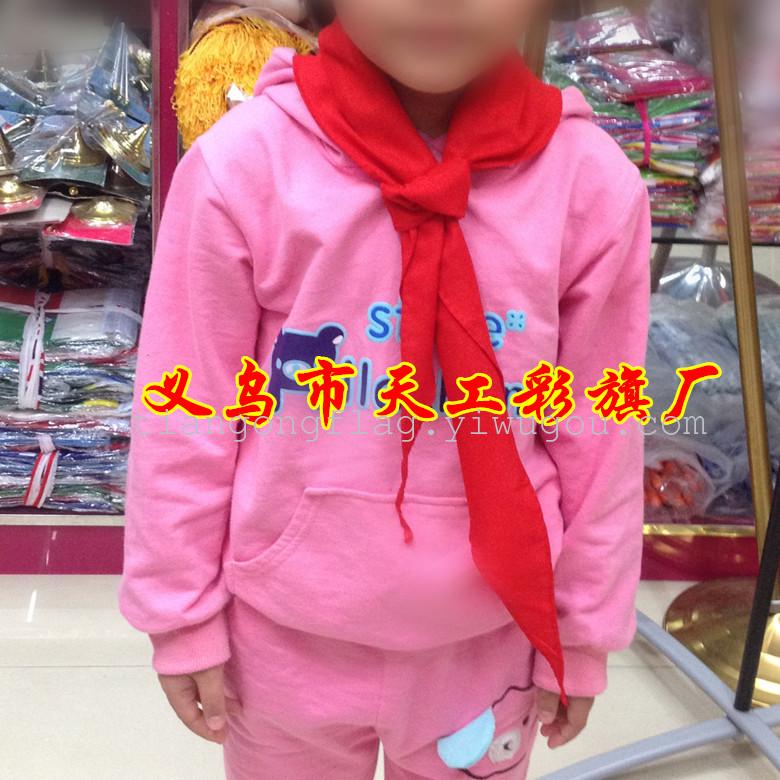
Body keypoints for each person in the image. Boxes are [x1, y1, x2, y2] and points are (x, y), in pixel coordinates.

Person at [120, 1, 651, 778]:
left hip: (489, 640)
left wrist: (582, 631)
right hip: (283, 638)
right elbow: (186, 408)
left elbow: (601, 434)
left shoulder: (591, 186)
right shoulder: (244, 165)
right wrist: (180, 615)